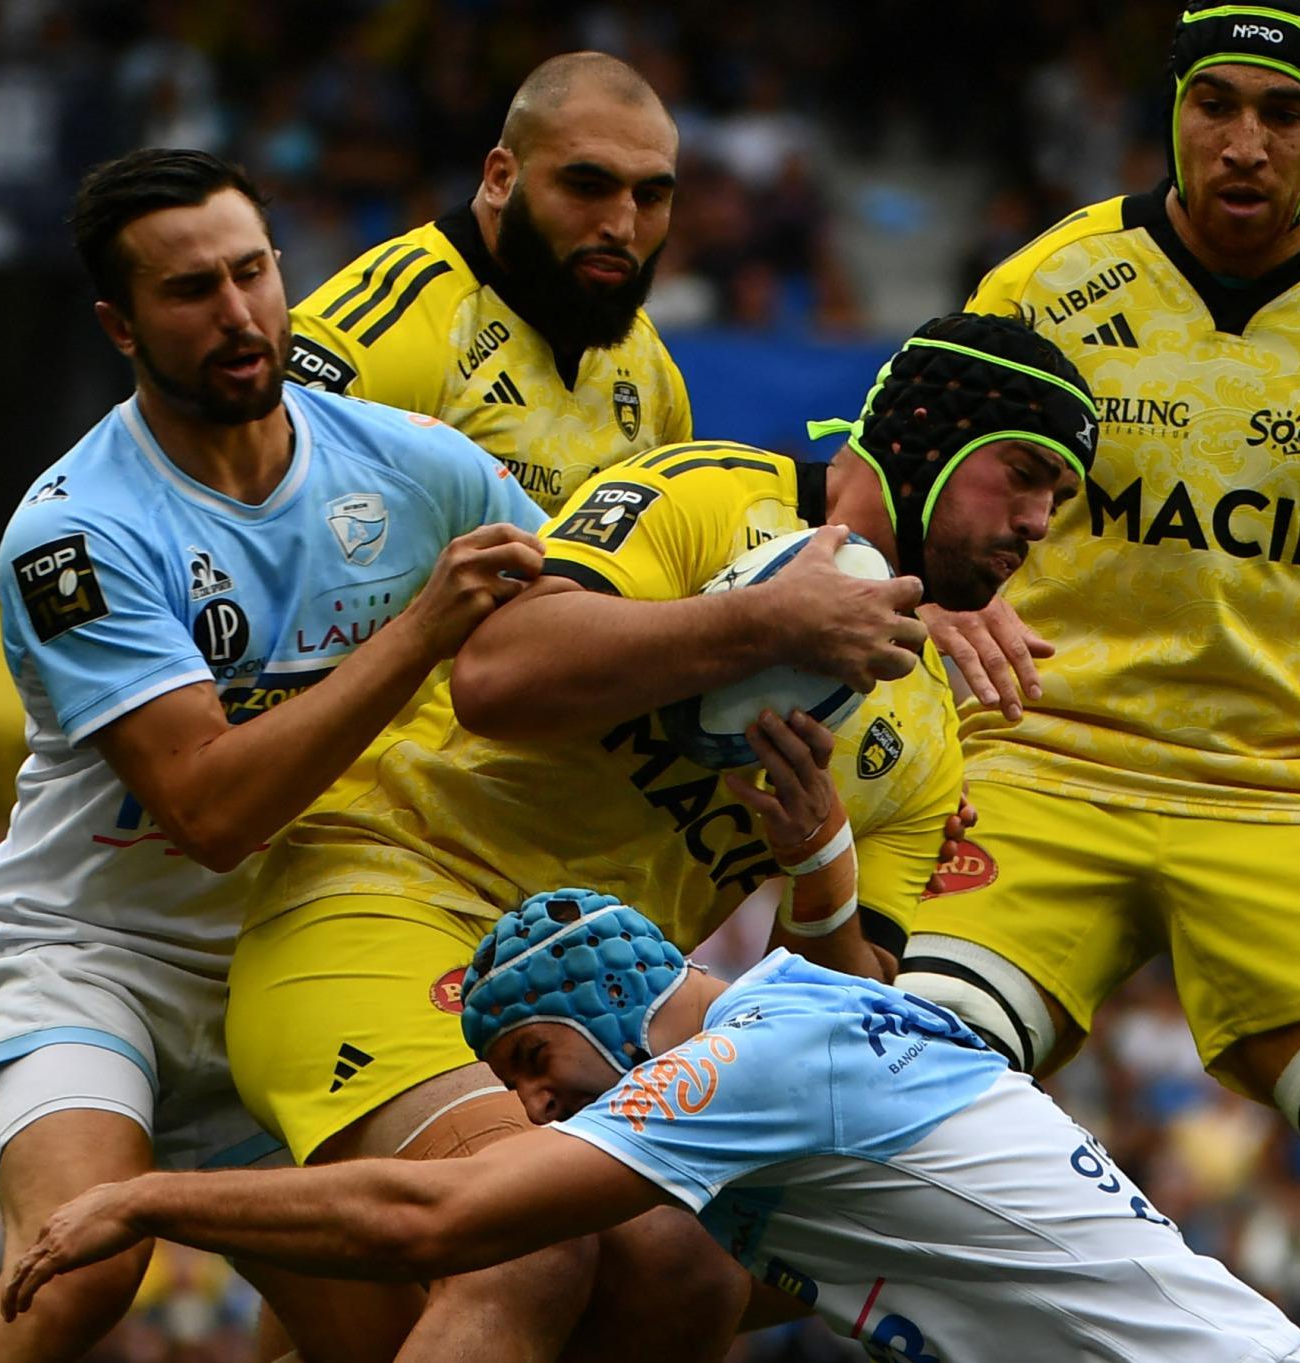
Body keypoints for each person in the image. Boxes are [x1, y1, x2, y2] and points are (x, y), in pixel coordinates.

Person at [223, 311, 1095, 1360]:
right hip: (386, 905)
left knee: (690, 1263)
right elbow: (496, 675)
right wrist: (770, 625)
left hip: (595, 1031)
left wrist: (818, 867)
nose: (1041, 520)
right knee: (523, 1245)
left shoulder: (925, 738)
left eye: (1059, 494)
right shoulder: (709, 492)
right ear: (927, 437)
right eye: (1024, 473)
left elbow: (830, 1019)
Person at [914, 7, 1300, 1363]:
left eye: (1284, 112)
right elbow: (902, 490)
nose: (1244, 143)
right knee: (883, 1127)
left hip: (1295, 801)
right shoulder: (1048, 285)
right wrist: (953, 599)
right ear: (1174, 108)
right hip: (1043, 768)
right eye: (1217, 105)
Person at [0, 148, 546, 1363]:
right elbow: (210, 809)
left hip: (298, 973)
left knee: (411, 1331)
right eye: (190, 290)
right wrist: (422, 625)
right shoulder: (76, 533)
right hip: (94, 957)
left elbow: (590, 614)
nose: (239, 313)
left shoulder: (415, 466)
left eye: (254, 272)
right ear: (119, 323)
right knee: (80, 1266)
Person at [3, 892, 1300, 1363]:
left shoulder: (748, 1061)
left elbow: (441, 1214)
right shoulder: (798, 1044)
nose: (529, 1103)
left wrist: (151, 1197)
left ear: (600, 998)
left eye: (528, 1060)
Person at [285, 51, 691, 511]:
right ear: (501, 179)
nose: (622, 226)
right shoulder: (383, 331)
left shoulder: (651, 368)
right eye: (587, 187)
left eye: (651, 196)